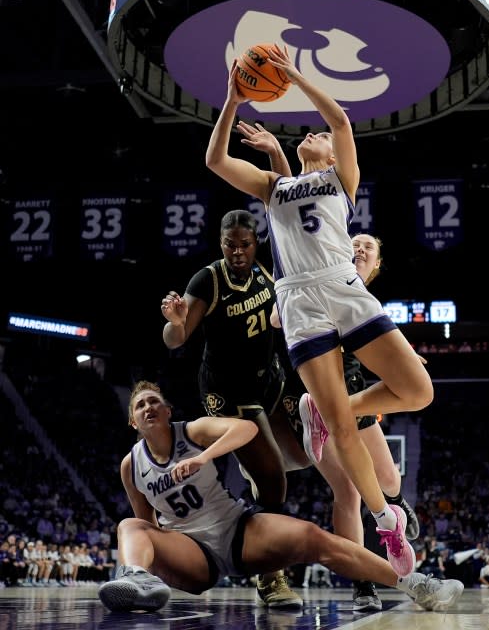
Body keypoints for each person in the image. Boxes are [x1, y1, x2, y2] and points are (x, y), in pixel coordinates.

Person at [205, 43, 434, 578]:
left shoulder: (340, 180)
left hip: (343, 286)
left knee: (419, 391)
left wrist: (295, 75)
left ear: (331, 156)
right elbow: (215, 160)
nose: (313, 134)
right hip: (301, 298)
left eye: (321, 138)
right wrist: (232, 99)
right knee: (339, 426)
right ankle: (386, 521)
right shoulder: (274, 188)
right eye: (312, 135)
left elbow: (339, 119)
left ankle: (340, 409)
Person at [98, 380, 464, 613]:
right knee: (130, 525)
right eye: (140, 405)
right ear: (132, 421)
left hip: (237, 530)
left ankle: (416, 585)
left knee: (313, 537)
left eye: (153, 402)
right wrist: (164, 562)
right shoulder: (132, 466)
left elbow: (244, 428)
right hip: (191, 552)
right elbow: (147, 525)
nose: (148, 407)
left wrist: (204, 457)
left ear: (167, 411)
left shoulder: (192, 431)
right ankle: (136, 580)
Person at [160, 208, 304, 608]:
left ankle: (253, 465)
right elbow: (176, 339)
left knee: (310, 453)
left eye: (244, 245)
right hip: (229, 394)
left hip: (268, 380)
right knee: (274, 481)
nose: (237, 252)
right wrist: (175, 321)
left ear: (255, 243)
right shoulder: (208, 279)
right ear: (220, 244)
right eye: (230, 245)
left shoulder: (265, 273)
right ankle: (269, 576)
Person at [272, 231, 421, 612]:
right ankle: (363, 583)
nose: (359, 248)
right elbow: (277, 316)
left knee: (388, 478)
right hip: (307, 383)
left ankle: (396, 502)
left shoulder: (365, 300)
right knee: (349, 491)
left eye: (369, 246)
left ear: (376, 265)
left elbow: (384, 337)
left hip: (352, 388)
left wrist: (406, 358)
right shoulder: (318, 275)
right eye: (354, 243)